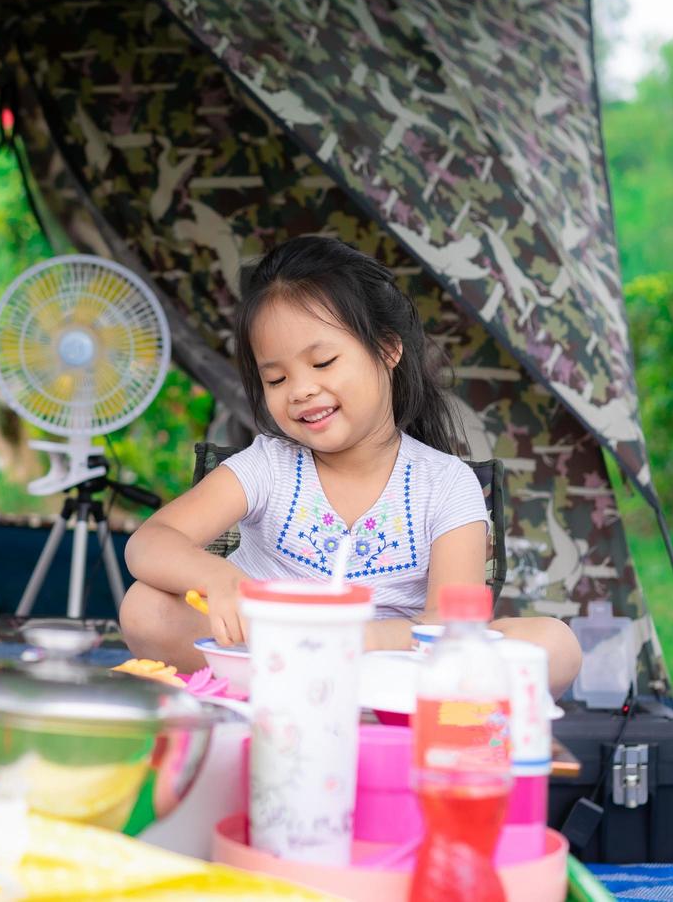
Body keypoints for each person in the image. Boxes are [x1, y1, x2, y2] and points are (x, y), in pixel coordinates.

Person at [122, 235, 582, 694]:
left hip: (388, 666)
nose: (300, 390)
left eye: (323, 362)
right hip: (266, 653)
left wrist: (360, 641)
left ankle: (329, 690)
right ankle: (304, 688)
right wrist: (219, 579)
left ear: (388, 350)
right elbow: (150, 543)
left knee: (553, 644)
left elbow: (449, 620)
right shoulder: (268, 464)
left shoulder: (445, 483)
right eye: (276, 378)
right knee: (144, 606)